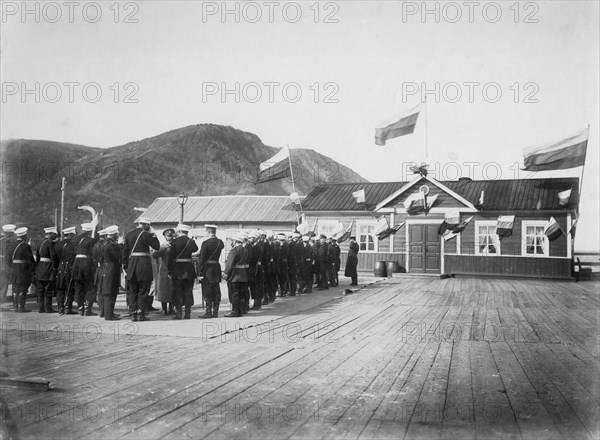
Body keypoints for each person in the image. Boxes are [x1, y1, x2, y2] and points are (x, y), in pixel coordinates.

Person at [122, 217, 160, 322]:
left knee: (132, 291)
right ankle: (141, 314)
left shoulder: (128, 234)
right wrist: (154, 234)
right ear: (147, 225)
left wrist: (125, 266)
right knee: (143, 290)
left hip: (132, 265)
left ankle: (133, 313)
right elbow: (156, 246)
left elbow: (125, 252)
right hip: (144, 265)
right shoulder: (148, 235)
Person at [168, 224, 198, 320]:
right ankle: (187, 313)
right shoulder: (191, 241)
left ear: (179, 231)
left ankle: (179, 313)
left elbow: (171, 257)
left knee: (178, 291)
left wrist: (169, 270)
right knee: (188, 291)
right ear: (187, 232)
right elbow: (195, 249)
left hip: (177, 270)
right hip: (189, 269)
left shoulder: (175, 242)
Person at [72, 223, 99, 316]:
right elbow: (94, 253)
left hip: (76, 264)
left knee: (79, 286)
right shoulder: (92, 240)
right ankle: (88, 309)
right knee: (90, 286)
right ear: (90, 231)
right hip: (87, 263)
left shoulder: (75, 239)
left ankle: (80, 308)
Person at [197, 224, 224, 318]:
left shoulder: (205, 243)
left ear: (208, 232)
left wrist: (200, 273)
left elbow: (202, 258)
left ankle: (208, 312)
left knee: (207, 290)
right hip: (216, 267)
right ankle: (215, 312)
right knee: (216, 290)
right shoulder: (220, 242)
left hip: (207, 269)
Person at [97, 225, 122, 321]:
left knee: (108, 292)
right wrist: (120, 245)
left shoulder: (104, 243)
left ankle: (108, 312)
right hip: (111, 269)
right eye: (117, 234)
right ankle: (109, 314)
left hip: (105, 268)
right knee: (110, 292)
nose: (117, 235)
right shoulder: (111, 245)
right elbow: (118, 256)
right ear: (114, 234)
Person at [9, 227, 35, 312]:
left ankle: (15, 307)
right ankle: (21, 307)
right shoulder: (26, 246)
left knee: (15, 287)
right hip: (23, 269)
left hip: (14, 268)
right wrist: (33, 268)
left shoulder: (12, 244)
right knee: (23, 287)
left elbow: (8, 258)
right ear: (24, 236)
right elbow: (30, 259)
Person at [223, 233, 248, 318]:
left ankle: (234, 311)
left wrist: (225, 273)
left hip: (235, 275)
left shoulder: (234, 250)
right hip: (243, 274)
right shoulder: (245, 250)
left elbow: (229, 264)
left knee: (234, 293)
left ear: (235, 241)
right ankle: (240, 310)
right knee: (241, 293)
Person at [35, 226, 59, 313]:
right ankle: (48, 308)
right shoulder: (51, 243)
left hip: (40, 267)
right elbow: (54, 257)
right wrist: (55, 268)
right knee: (48, 289)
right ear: (50, 234)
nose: (56, 235)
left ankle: (41, 308)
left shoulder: (39, 242)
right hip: (48, 268)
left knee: (40, 290)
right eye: (54, 234)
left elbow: (37, 257)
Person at [152, 229, 175, 315]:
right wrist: (162, 248)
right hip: (163, 270)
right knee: (163, 290)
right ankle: (164, 309)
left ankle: (171, 308)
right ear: (165, 237)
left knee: (172, 290)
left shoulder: (175, 245)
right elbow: (154, 255)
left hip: (173, 270)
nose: (170, 238)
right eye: (168, 236)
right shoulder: (163, 246)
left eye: (171, 236)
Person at [55, 226, 77, 315]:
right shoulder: (72, 245)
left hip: (60, 267)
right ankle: (68, 307)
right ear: (70, 235)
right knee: (69, 287)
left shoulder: (58, 244)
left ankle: (60, 307)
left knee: (60, 288)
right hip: (69, 267)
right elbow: (72, 257)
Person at [0, 224, 16, 302]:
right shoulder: (9, 242)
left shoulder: (1, 241)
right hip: (5, 266)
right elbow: (9, 255)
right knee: (4, 285)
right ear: (10, 234)